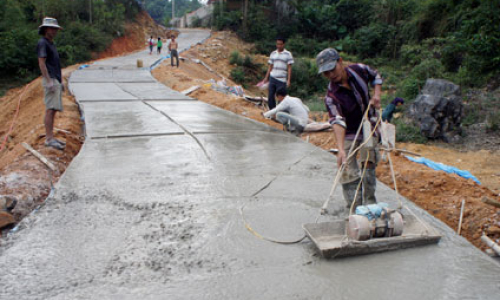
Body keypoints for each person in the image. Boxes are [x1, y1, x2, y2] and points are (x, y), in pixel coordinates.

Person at [316, 48, 383, 209]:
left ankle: (370, 202)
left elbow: (376, 76)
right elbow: (337, 121)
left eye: (332, 69)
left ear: (340, 62)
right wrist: (341, 149)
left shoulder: (358, 70)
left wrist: (377, 95)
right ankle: (355, 207)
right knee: (346, 168)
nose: (331, 75)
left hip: (369, 124)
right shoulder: (331, 96)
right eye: (326, 73)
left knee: (369, 162)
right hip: (349, 131)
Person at [37, 17, 65, 151]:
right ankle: (49, 139)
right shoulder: (43, 43)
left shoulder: (50, 43)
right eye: (51, 29)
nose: (54, 31)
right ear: (45, 29)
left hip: (56, 79)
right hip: (51, 79)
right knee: (50, 109)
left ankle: (51, 137)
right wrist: (49, 81)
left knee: (53, 110)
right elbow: (42, 62)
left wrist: (61, 81)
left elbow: (56, 64)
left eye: (55, 29)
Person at [261, 37, 294, 109]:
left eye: (280, 44)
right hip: (273, 77)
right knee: (270, 96)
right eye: (277, 44)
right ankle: (272, 112)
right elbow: (270, 67)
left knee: (281, 97)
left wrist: (288, 80)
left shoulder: (288, 54)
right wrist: (266, 78)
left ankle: (280, 112)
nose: (279, 46)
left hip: (281, 79)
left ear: (284, 44)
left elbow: (289, 68)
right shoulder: (273, 53)